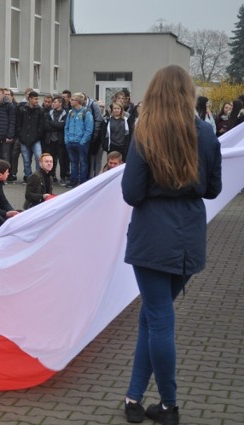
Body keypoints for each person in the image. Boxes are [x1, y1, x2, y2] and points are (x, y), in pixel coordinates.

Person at [121, 65, 222, 425]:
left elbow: (131, 192)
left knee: (158, 319)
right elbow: (212, 189)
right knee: (152, 317)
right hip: (188, 239)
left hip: (152, 237)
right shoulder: (207, 133)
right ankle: (133, 398)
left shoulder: (145, 132)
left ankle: (168, 405)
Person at [64, 92, 93, 188]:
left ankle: (83, 182)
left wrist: (83, 141)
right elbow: (66, 127)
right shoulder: (70, 112)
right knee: (73, 162)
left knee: (83, 163)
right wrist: (66, 139)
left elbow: (89, 129)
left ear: (78, 101)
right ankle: (73, 181)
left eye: (72, 100)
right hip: (70, 142)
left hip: (81, 143)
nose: (70, 101)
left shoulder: (86, 113)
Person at [16, 90, 44, 181]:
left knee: (38, 157)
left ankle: (37, 176)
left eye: (38, 99)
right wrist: (20, 135)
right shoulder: (22, 109)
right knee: (26, 159)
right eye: (35, 99)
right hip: (24, 139)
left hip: (36, 139)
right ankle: (28, 177)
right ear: (30, 99)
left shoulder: (40, 110)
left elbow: (41, 125)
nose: (37, 101)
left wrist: (38, 136)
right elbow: (18, 124)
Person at [44, 97, 68, 185]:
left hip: (60, 140)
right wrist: (57, 125)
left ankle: (63, 177)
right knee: (51, 160)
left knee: (62, 160)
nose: (53, 104)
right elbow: (46, 126)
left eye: (55, 102)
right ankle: (51, 177)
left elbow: (63, 126)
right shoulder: (49, 113)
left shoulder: (66, 113)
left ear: (60, 103)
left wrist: (53, 123)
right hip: (50, 140)